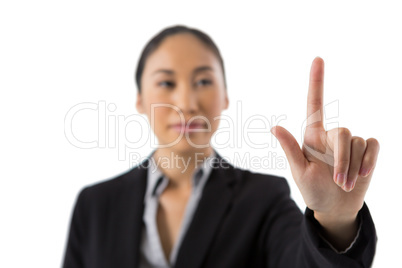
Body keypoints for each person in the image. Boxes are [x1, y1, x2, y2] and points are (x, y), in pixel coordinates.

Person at [62, 25, 379, 268]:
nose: (186, 103)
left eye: (203, 81)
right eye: (166, 83)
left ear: (226, 97)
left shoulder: (263, 198)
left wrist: (335, 219)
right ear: (140, 100)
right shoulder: (94, 205)